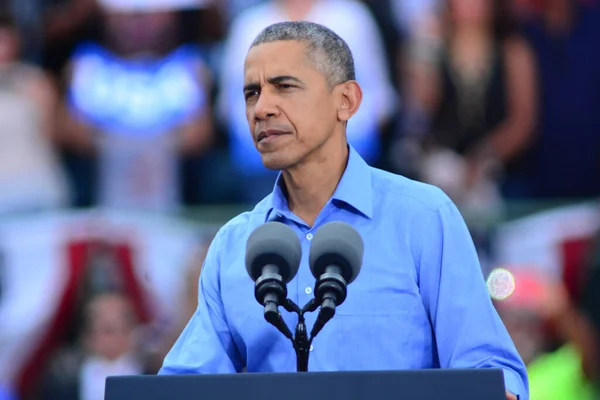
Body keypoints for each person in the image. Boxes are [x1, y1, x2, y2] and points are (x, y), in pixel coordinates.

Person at [159, 21, 528, 400]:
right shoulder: (233, 245)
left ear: (347, 101)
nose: (262, 108)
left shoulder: (423, 217)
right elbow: (182, 386)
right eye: (252, 93)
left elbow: (490, 374)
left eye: (284, 86)